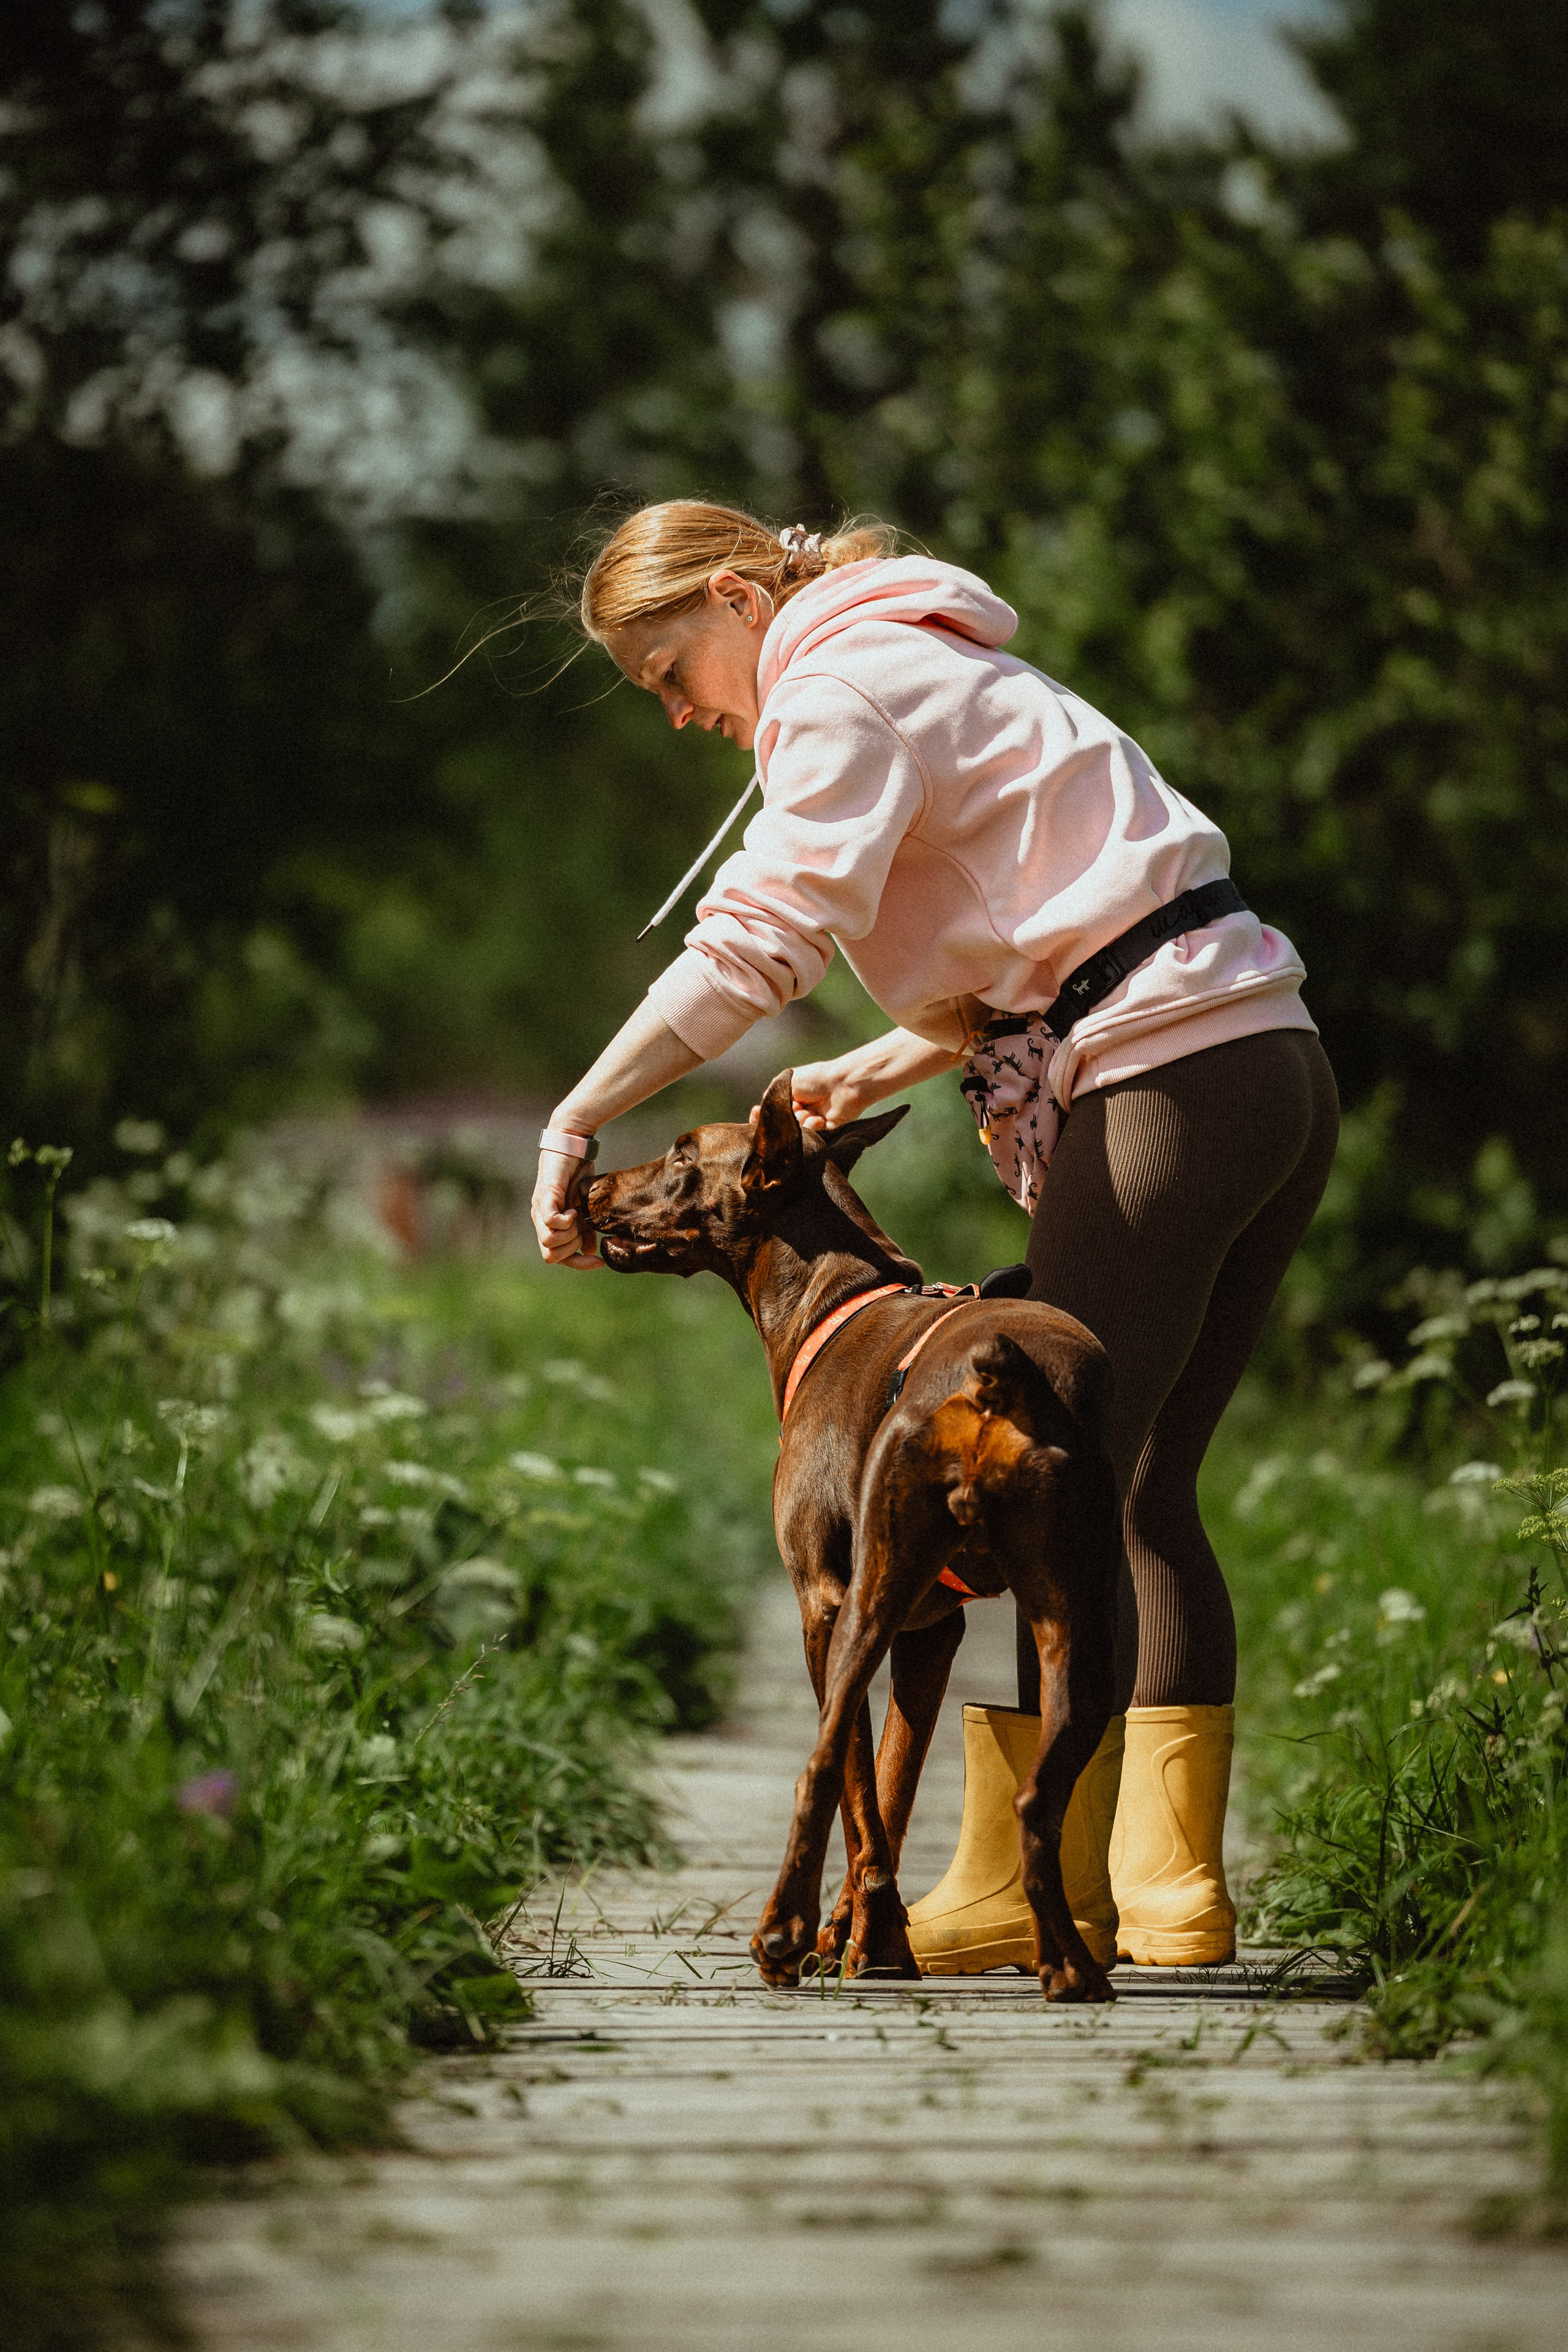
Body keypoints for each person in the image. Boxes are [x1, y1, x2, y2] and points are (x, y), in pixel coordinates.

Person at [531, 500, 1338, 1972]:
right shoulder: (922, 655)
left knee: (1055, 1478)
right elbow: (1062, 938)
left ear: (736, 597)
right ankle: (1164, 1888)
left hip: (1165, 1078)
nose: (675, 713)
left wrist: (577, 1116)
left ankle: (1027, 1882)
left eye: (668, 672)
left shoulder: (837, 684)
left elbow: (754, 945)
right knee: (1141, 1487)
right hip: (1260, 1061)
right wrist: (875, 1065)